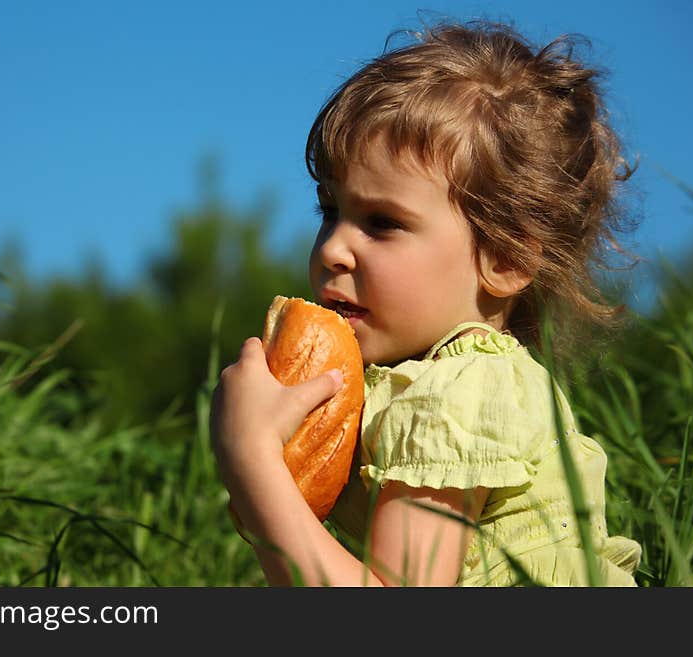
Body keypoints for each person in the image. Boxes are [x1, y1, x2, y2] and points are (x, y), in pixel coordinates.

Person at [209, 19, 642, 586]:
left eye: (382, 222)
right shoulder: (418, 383)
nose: (333, 249)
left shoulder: (461, 392)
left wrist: (252, 458)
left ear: (506, 260)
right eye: (329, 210)